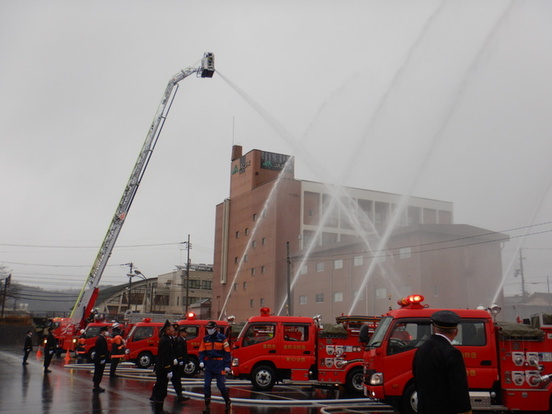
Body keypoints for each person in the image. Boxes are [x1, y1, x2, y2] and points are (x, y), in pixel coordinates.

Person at [412, 310, 472, 414]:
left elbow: (416, 379)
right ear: (456, 332)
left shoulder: (421, 350)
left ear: (434, 329)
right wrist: (465, 411)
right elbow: (458, 387)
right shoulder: (452, 353)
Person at [199, 321, 232, 413]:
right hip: (209, 364)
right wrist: (201, 361)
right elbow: (201, 351)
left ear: (215, 328)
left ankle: (227, 401)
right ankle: (207, 406)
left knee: (221, 385)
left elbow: (227, 352)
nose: (208, 330)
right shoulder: (205, 339)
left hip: (219, 364)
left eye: (210, 328)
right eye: (207, 328)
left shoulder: (222, 338)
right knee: (206, 385)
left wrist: (227, 365)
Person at [151, 320, 175, 414]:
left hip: (163, 368)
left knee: (162, 388)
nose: (173, 330)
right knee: (161, 389)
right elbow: (164, 356)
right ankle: (159, 410)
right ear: (167, 330)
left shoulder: (167, 338)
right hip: (163, 369)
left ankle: (159, 409)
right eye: (172, 328)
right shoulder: (165, 340)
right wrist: (168, 368)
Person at [172, 325, 190, 402]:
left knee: (176, 378)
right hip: (178, 362)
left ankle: (179, 392)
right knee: (176, 378)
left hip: (180, 361)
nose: (186, 334)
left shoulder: (182, 340)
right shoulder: (180, 340)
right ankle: (179, 394)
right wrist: (180, 360)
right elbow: (179, 351)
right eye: (185, 333)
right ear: (181, 333)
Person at [92, 326, 110, 393]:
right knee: (99, 372)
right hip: (100, 359)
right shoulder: (101, 339)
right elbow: (102, 350)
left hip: (98, 358)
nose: (107, 332)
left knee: (98, 372)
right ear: (102, 332)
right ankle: (96, 386)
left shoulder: (101, 338)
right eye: (106, 331)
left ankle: (96, 385)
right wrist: (103, 358)